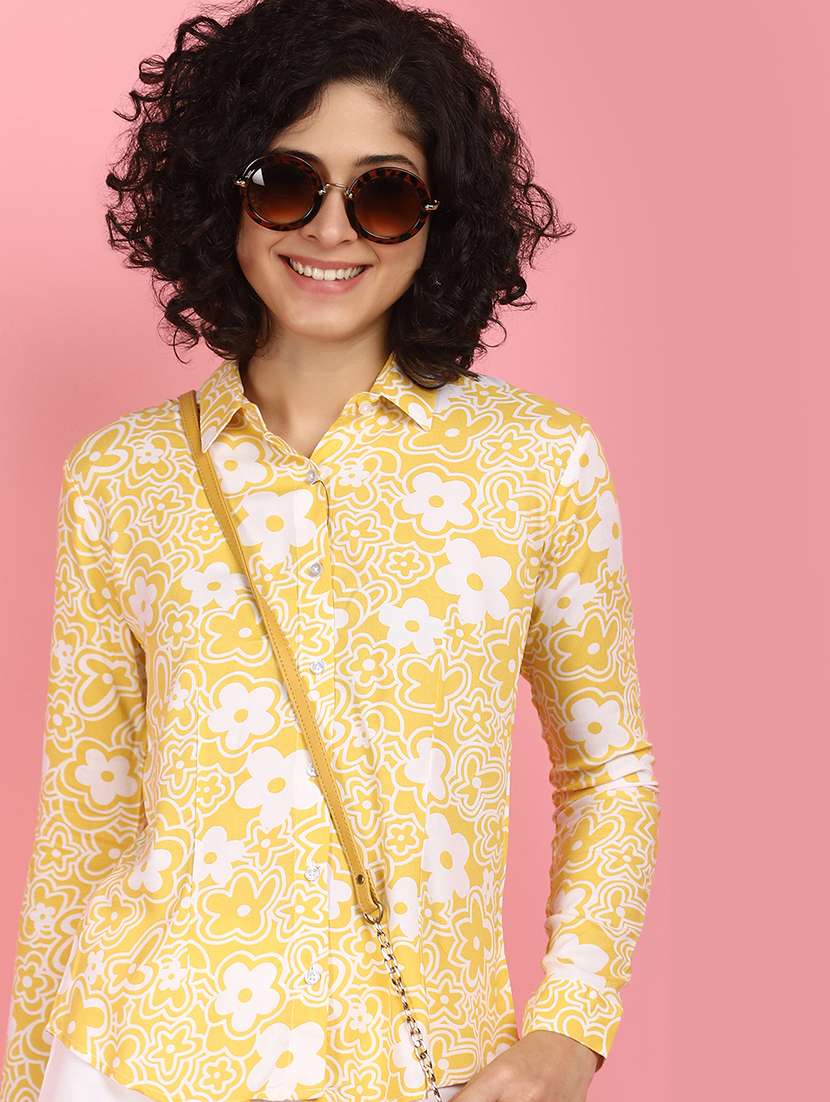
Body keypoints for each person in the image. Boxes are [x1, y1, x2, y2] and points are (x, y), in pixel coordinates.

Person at [0, 1, 661, 1101]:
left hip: (417, 1058)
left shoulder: (537, 463)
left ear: (439, 217)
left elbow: (609, 773)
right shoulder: (122, 477)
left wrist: (569, 1030)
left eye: (383, 193)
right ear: (223, 192)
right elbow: (85, 821)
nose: (330, 229)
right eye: (286, 182)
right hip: (137, 1059)